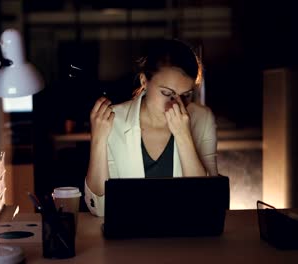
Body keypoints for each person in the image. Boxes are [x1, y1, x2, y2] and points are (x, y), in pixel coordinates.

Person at [84, 39, 218, 216]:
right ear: (144, 81)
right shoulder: (112, 120)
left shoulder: (202, 118)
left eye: (185, 96)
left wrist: (184, 135)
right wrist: (98, 140)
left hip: (184, 236)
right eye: (167, 93)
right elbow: (100, 209)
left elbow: (207, 202)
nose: (176, 105)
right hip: (129, 235)